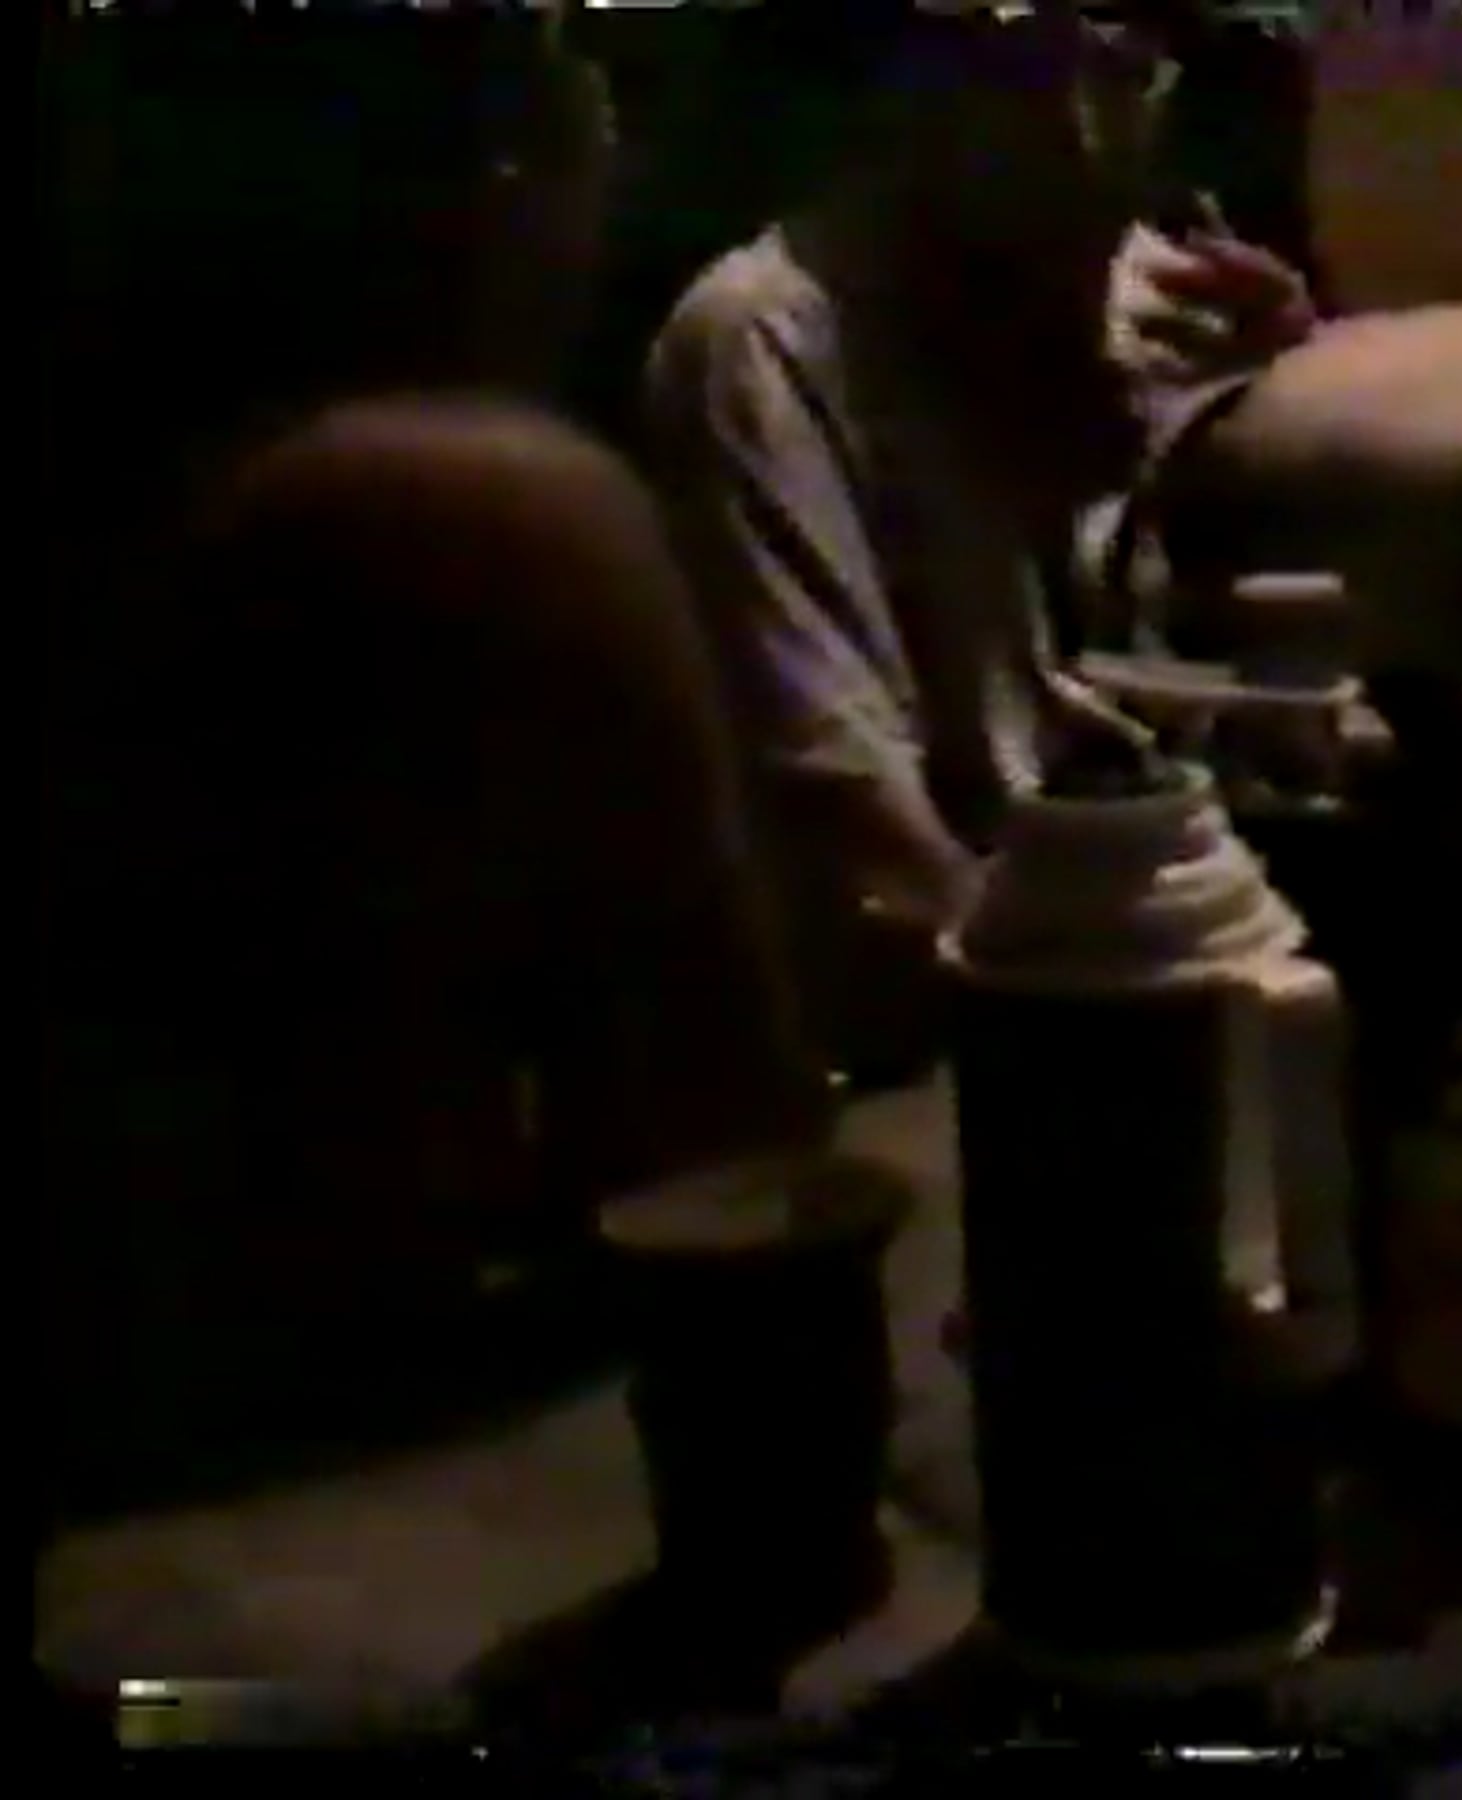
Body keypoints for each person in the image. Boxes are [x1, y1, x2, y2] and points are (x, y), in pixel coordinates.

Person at [41, 10, 825, 1489]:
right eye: (605, 89)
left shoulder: (156, 492)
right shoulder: (477, 506)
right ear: (508, 156)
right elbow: (739, 1172)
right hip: (290, 1488)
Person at [643, 2, 1321, 1071]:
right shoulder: (766, 341)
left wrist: (1281, 421)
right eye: (1027, 56)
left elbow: (1287, 714)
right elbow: (855, 823)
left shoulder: (1164, 300)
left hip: (1213, 948)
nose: (1084, 122)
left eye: (1125, 58)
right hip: (996, 1023)